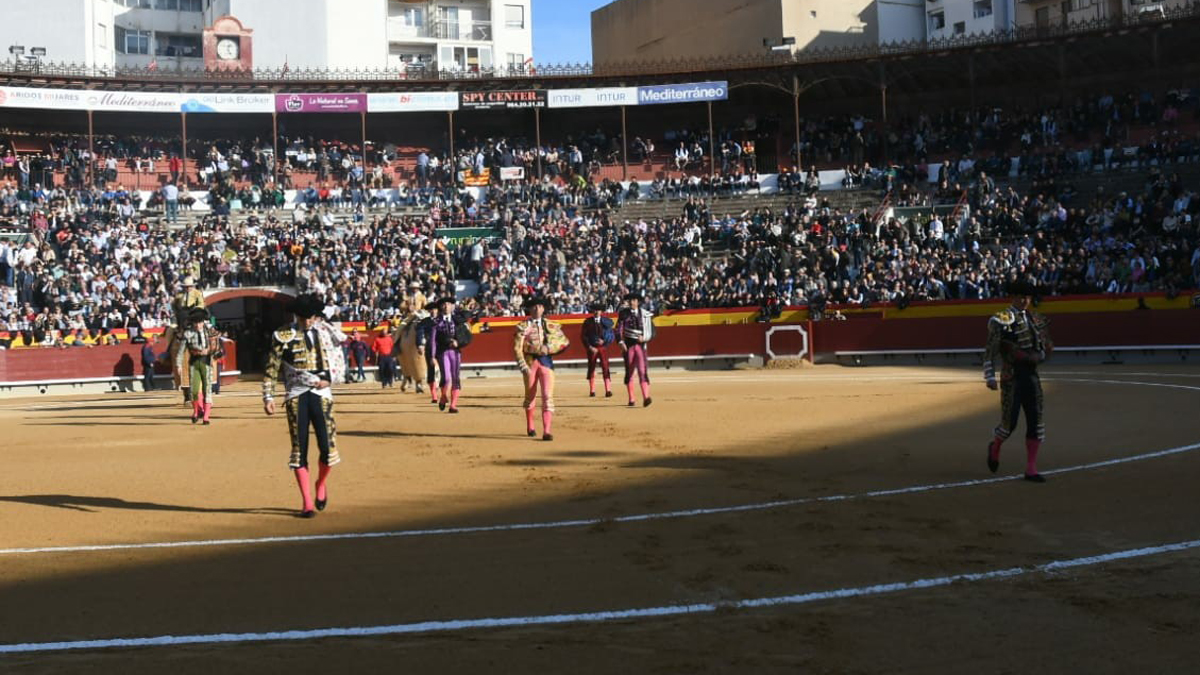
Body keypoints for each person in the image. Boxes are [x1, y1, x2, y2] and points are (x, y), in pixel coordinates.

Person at [262, 293, 347, 518]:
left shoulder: (325, 333)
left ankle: (320, 484)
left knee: (327, 448)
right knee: (299, 450)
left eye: (311, 317)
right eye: (303, 317)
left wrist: (330, 380)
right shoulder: (283, 335)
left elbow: (337, 363)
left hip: (322, 393)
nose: (308, 321)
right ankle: (307, 503)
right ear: (296, 316)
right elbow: (272, 366)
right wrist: (268, 396)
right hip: (296, 395)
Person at [983, 280, 1053, 482]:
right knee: (1008, 424)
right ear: (1012, 297)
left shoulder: (1036, 318)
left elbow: (1047, 345)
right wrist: (989, 376)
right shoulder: (1001, 320)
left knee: (1035, 421)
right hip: (1011, 376)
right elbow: (990, 350)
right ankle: (995, 446)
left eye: (1028, 297)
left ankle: (1031, 468)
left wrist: (1040, 355)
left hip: (1031, 376)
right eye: (1021, 296)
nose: (1024, 300)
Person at [513, 297, 569, 440]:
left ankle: (547, 431)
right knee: (530, 396)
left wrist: (549, 347)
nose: (537, 309)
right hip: (530, 363)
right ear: (529, 309)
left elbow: (563, 341)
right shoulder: (522, 326)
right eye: (534, 307)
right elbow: (517, 348)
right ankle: (530, 426)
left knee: (547, 397)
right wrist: (522, 364)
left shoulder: (551, 325)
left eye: (539, 306)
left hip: (546, 363)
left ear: (543, 308)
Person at [431, 296, 470, 413]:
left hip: (455, 352)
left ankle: (453, 405)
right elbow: (433, 340)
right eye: (444, 304)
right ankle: (443, 396)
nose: (446, 306)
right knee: (447, 378)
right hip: (443, 352)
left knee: (455, 378)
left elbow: (466, 336)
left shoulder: (458, 320)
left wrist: (459, 342)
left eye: (448, 304)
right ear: (441, 307)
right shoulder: (437, 322)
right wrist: (432, 356)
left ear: (452, 306)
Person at [617, 291, 655, 407]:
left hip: (641, 346)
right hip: (628, 347)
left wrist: (645, 337)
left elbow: (653, 331)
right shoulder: (623, 314)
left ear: (638, 302)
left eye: (634, 300)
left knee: (642, 371)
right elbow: (618, 329)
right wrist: (620, 341)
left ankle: (646, 397)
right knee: (629, 372)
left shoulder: (645, 314)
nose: (632, 302)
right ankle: (631, 399)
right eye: (630, 300)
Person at [182, 308, 220, 424]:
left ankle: (206, 417)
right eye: (195, 322)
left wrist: (208, 351)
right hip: (194, 362)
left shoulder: (210, 331)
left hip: (206, 362)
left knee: (206, 390)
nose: (198, 324)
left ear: (203, 321)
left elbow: (216, 346)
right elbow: (182, 348)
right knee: (194, 390)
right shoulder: (188, 332)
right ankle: (196, 411)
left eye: (200, 322)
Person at [170, 276, 205, 403]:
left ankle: (218, 351)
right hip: (181, 320)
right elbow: (173, 306)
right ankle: (167, 354)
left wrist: (195, 312)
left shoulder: (197, 294)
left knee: (209, 330)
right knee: (169, 331)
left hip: (195, 317)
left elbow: (201, 305)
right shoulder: (179, 296)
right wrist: (176, 314)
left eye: (189, 286)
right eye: (186, 287)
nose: (187, 288)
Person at [581, 302, 615, 398]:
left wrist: (604, 341)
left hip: (603, 348)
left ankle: (608, 390)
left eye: (598, 310)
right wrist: (590, 347)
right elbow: (584, 337)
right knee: (591, 367)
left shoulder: (607, 322)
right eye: (595, 310)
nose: (596, 312)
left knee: (605, 367)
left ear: (601, 311)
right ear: (592, 311)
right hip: (592, 348)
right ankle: (592, 390)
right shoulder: (587, 322)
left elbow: (611, 335)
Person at [418, 301, 440, 404]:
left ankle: (443, 391)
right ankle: (434, 395)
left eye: (435, 309)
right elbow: (420, 333)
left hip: (442, 348)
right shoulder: (424, 322)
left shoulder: (442, 320)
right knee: (431, 371)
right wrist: (420, 344)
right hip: (430, 348)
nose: (433, 311)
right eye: (431, 310)